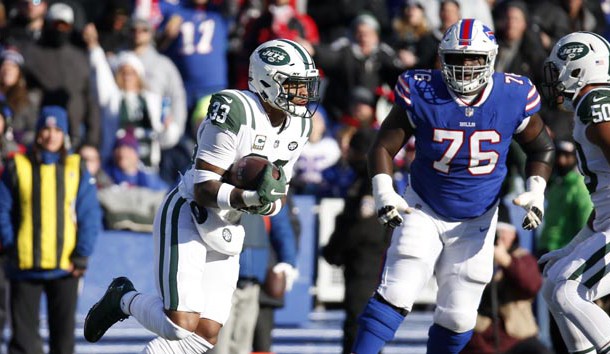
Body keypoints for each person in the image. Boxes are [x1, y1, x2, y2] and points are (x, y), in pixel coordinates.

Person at [83, 38, 320, 353]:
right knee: (179, 325)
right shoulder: (235, 108)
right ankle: (123, 298)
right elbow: (203, 186)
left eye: (305, 85)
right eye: (294, 85)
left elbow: (280, 190)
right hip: (189, 213)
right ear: (266, 80)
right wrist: (250, 199)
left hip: (229, 224)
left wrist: (269, 201)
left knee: (205, 335)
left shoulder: (300, 126)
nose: (303, 94)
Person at [351, 19, 555, 354]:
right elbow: (383, 146)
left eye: (473, 58)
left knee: (459, 316)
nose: (464, 67)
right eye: (457, 59)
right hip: (424, 205)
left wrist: (536, 189)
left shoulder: (512, 94)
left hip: (478, 216)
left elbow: (542, 147)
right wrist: (384, 191)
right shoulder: (422, 90)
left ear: (490, 58)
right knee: (398, 289)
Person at [0, 105, 101, 354]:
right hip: (24, 267)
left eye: (57, 129)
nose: (51, 134)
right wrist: (13, 246)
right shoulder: (17, 166)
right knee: (23, 343)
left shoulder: (76, 168)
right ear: (37, 132)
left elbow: (89, 215)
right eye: (46, 128)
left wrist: (80, 256)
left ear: (64, 134)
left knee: (63, 344)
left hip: (65, 267)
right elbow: (2, 211)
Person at [539, 31, 610, 354]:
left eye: (559, 70)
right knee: (554, 281)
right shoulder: (591, 103)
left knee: (568, 291)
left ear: (578, 68)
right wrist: (577, 244)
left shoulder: (595, 103)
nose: (555, 80)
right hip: (606, 222)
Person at [322, 128, 390, 354]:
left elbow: (364, 229)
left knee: (359, 319)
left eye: (352, 149)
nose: (347, 154)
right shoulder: (365, 180)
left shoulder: (371, 183)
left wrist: (335, 249)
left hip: (366, 263)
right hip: (363, 262)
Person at [462, 218, 551, 354]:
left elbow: (532, 286)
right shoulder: (475, 258)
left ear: (513, 234)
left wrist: (507, 262)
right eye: (497, 233)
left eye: (504, 233)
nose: (500, 238)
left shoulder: (522, 258)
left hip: (519, 334)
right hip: (482, 335)